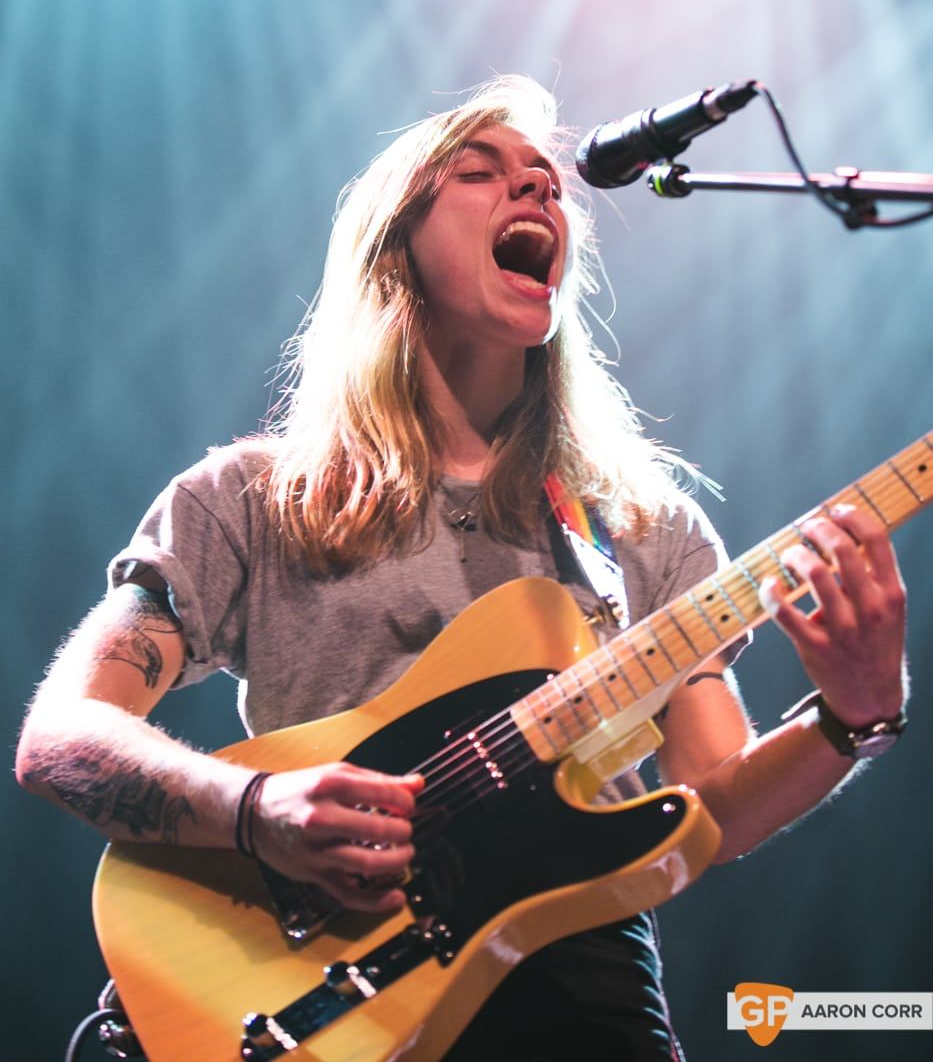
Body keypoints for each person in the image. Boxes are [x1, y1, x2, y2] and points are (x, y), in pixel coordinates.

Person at [17, 75, 907, 1059]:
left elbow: (711, 804)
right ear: (392, 247)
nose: (535, 191)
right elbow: (60, 738)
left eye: (546, 182)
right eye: (479, 172)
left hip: (584, 996)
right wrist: (258, 810)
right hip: (330, 994)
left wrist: (852, 715)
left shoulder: (641, 526)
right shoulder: (250, 495)